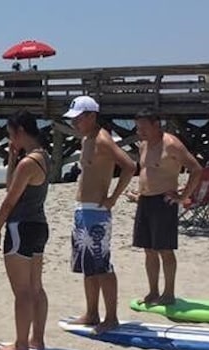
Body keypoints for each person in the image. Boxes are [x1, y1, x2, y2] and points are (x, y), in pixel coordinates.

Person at [63, 96, 137, 333]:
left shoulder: (103, 139)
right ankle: (92, 312)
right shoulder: (87, 139)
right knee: (88, 265)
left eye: (78, 119)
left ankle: (111, 317)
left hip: (97, 212)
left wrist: (113, 198)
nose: (75, 124)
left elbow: (129, 165)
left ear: (91, 116)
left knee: (102, 264)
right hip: (83, 210)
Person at [0, 111, 51, 350]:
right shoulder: (43, 157)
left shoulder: (28, 163)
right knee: (36, 287)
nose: (11, 140)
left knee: (22, 292)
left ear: (19, 132)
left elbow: (9, 200)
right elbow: (12, 186)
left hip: (20, 226)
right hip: (38, 225)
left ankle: (21, 343)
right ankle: (37, 338)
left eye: (11, 135)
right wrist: (11, 158)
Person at [133, 108, 202, 305]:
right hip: (145, 201)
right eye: (138, 128)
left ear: (157, 125)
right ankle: (153, 291)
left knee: (165, 250)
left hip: (164, 202)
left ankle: (168, 293)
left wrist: (183, 196)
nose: (140, 132)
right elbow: (147, 172)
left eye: (144, 127)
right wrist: (138, 193)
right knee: (148, 249)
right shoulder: (144, 145)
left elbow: (196, 169)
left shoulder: (171, 144)